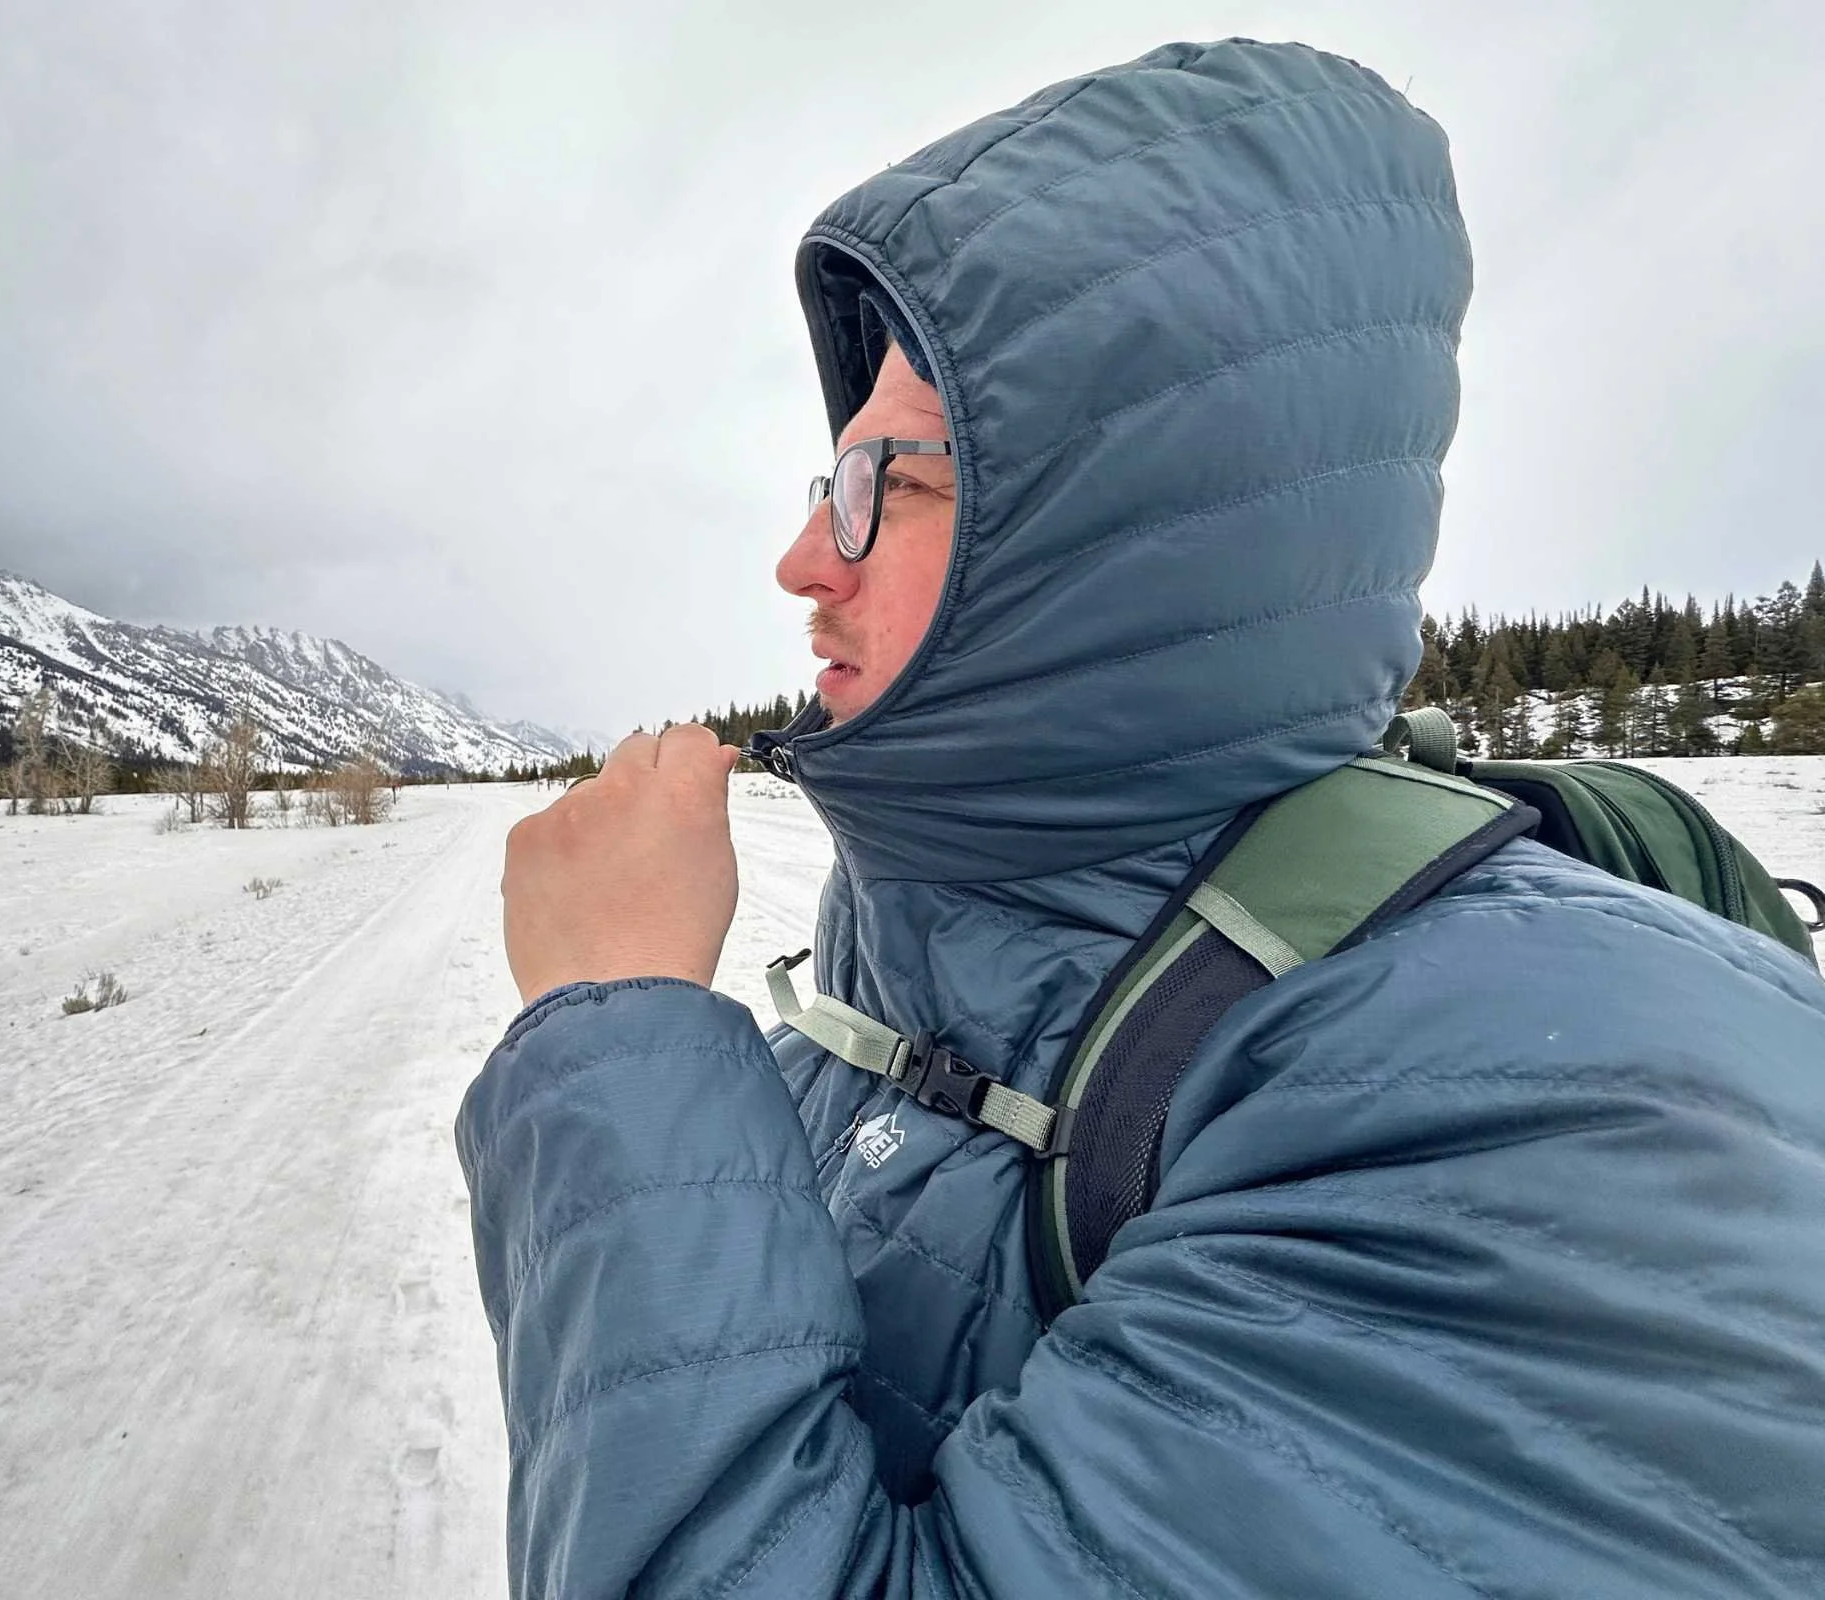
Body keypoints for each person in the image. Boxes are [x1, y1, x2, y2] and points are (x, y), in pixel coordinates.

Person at [459, 38, 1825, 1599]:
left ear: (1125, 546)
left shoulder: (1530, 1100)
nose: (802, 560)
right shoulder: (948, 963)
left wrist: (614, 1015)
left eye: (894, 485)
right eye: (826, 481)